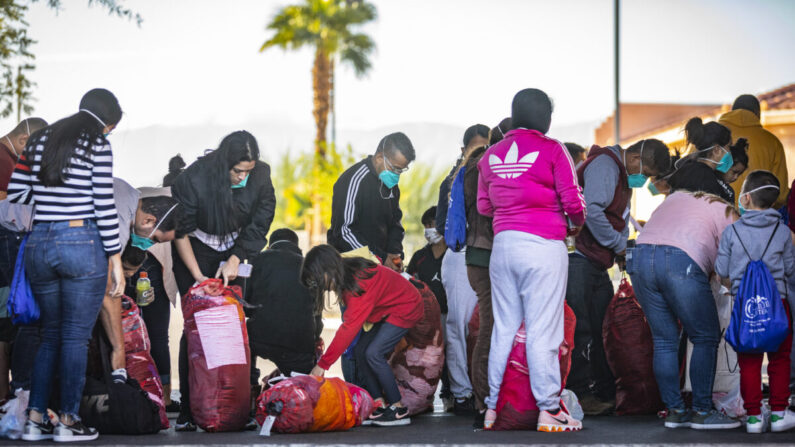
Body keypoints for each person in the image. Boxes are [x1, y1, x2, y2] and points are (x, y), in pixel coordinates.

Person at [7, 88, 125, 442]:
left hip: (40, 243)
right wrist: (115, 257)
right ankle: (69, 422)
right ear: (107, 122)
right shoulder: (97, 144)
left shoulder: (41, 139)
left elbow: (18, 193)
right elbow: (103, 204)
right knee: (75, 337)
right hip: (81, 241)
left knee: (49, 336)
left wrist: (50, 198)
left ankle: (36, 419)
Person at [478, 88, 586, 432]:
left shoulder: (489, 156)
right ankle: (550, 409)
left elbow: (483, 207)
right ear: (546, 119)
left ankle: (492, 408)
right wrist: (576, 224)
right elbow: (573, 201)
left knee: (503, 328)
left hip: (503, 247)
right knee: (543, 330)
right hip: (543, 246)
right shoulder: (552, 149)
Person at [171, 130, 276, 431]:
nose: (244, 177)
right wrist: (198, 276)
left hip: (236, 247)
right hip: (195, 250)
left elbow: (261, 220)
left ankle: (237, 406)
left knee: (237, 321)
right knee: (198, 324)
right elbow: (180, 232)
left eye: (249, 171)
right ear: (223, 164)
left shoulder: (261, 175)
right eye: (238, 171)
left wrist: (237, 256)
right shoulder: (194, 178)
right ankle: (190, 411)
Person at [566, 138, 671, 414]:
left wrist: (621, 246)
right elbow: (592, 212)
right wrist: (617, 243)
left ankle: (604, 390)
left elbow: (621, 216)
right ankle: (581, 393)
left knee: (603, 326)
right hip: (578, 257)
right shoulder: (605, 166)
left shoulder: (622, 175)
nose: (644, 179)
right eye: (645, 172)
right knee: (582, 328)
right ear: (635, 157)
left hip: (596, 260)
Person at [628, 190, 741, 430]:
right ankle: (702, 411)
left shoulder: (676, 197)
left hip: (639, 258)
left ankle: (675, 411)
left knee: (664, 341)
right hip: (680, 262)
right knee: (705, 336)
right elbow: (727, 266)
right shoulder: (729, 214)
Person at [303, 245, 423, 427]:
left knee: (373, 353)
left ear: (327, 268)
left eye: (318, 278)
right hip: (386, 310)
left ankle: (398, 409)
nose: (320, 286)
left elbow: (348, 329)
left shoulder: (358, 283)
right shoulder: (347, 274)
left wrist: (323, 364)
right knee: (360, 351)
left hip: (406, 306)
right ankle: (379, 404)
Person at [715, 170, 795, 433]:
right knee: (780, 358)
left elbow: (721, 270)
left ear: (746, 198)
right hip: (777, 306)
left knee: (748, 360)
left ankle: (753, 418)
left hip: (744, 307)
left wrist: (736, 283)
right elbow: (791, 270)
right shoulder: (783, 232)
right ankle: (780, 414)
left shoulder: (732, 232)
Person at [438, 124, 489, 414]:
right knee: (458, 325)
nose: (481, 153)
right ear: (463, 150)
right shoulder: (453, 180)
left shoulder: (492, 175)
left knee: (486, 325)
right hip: (460, 255)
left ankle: (485, 388)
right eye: (476, 148)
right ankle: (461, 392)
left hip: (486, 254)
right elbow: (447, 227)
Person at [0, 117, 47, 401]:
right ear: (23, 141)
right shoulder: (4, 160)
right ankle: (5, 395)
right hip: (4, 246)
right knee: (5, 328)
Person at [465, 119, 506, 426]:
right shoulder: (488, 163)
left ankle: (493, 398)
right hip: (486, 254)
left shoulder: (479, 162)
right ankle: (484, 402)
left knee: (494, 330)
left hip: (484, 254)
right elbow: (485, 209)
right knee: (490, 331)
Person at [327, 132, 415, 271]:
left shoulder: (391, 184)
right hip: (355, 269)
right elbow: (344, 231)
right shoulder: (353, 180)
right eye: (395, 169)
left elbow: (395, 222)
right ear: (380, 157)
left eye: (401, 170)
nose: (397, 175)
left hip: (383, 268)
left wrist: (395, 254)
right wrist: (379, 258)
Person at [246, 228, 322, 379]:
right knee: (302, 389)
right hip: (299, 344)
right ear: (298, 248)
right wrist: (315, 338)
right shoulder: (311, 267)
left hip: (259, 337)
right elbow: (317, 315)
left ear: (270, 246)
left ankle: (251, 383)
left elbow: (245, 304)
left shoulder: (257, 259)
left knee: (244, 342)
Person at [406, 206, 450, 407]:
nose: (428, 230)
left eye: (431, 225)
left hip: (451, 315)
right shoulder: (419, 257)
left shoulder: (455, 253)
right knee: (427, 360)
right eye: (425, 226)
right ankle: (425, 397)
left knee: (452, 356)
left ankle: (451, 395)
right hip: (426, 320)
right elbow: (410, 284)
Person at [719, 94, 789, 207]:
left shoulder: (708, 134)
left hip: (712, 218)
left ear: (732, 111)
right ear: (757, 114)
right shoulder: (772, 142)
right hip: (755, 219)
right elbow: (780, 195)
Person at [668, 118, 735, 202]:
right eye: (729, 146)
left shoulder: (688, 170)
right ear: (716, 150)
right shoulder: (704, 180)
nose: (731, 151)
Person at [715, 138, 749, 204]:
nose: (736, 177)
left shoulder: (729, 192)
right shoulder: (707, 179)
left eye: (739, 174)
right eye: (734, 172)